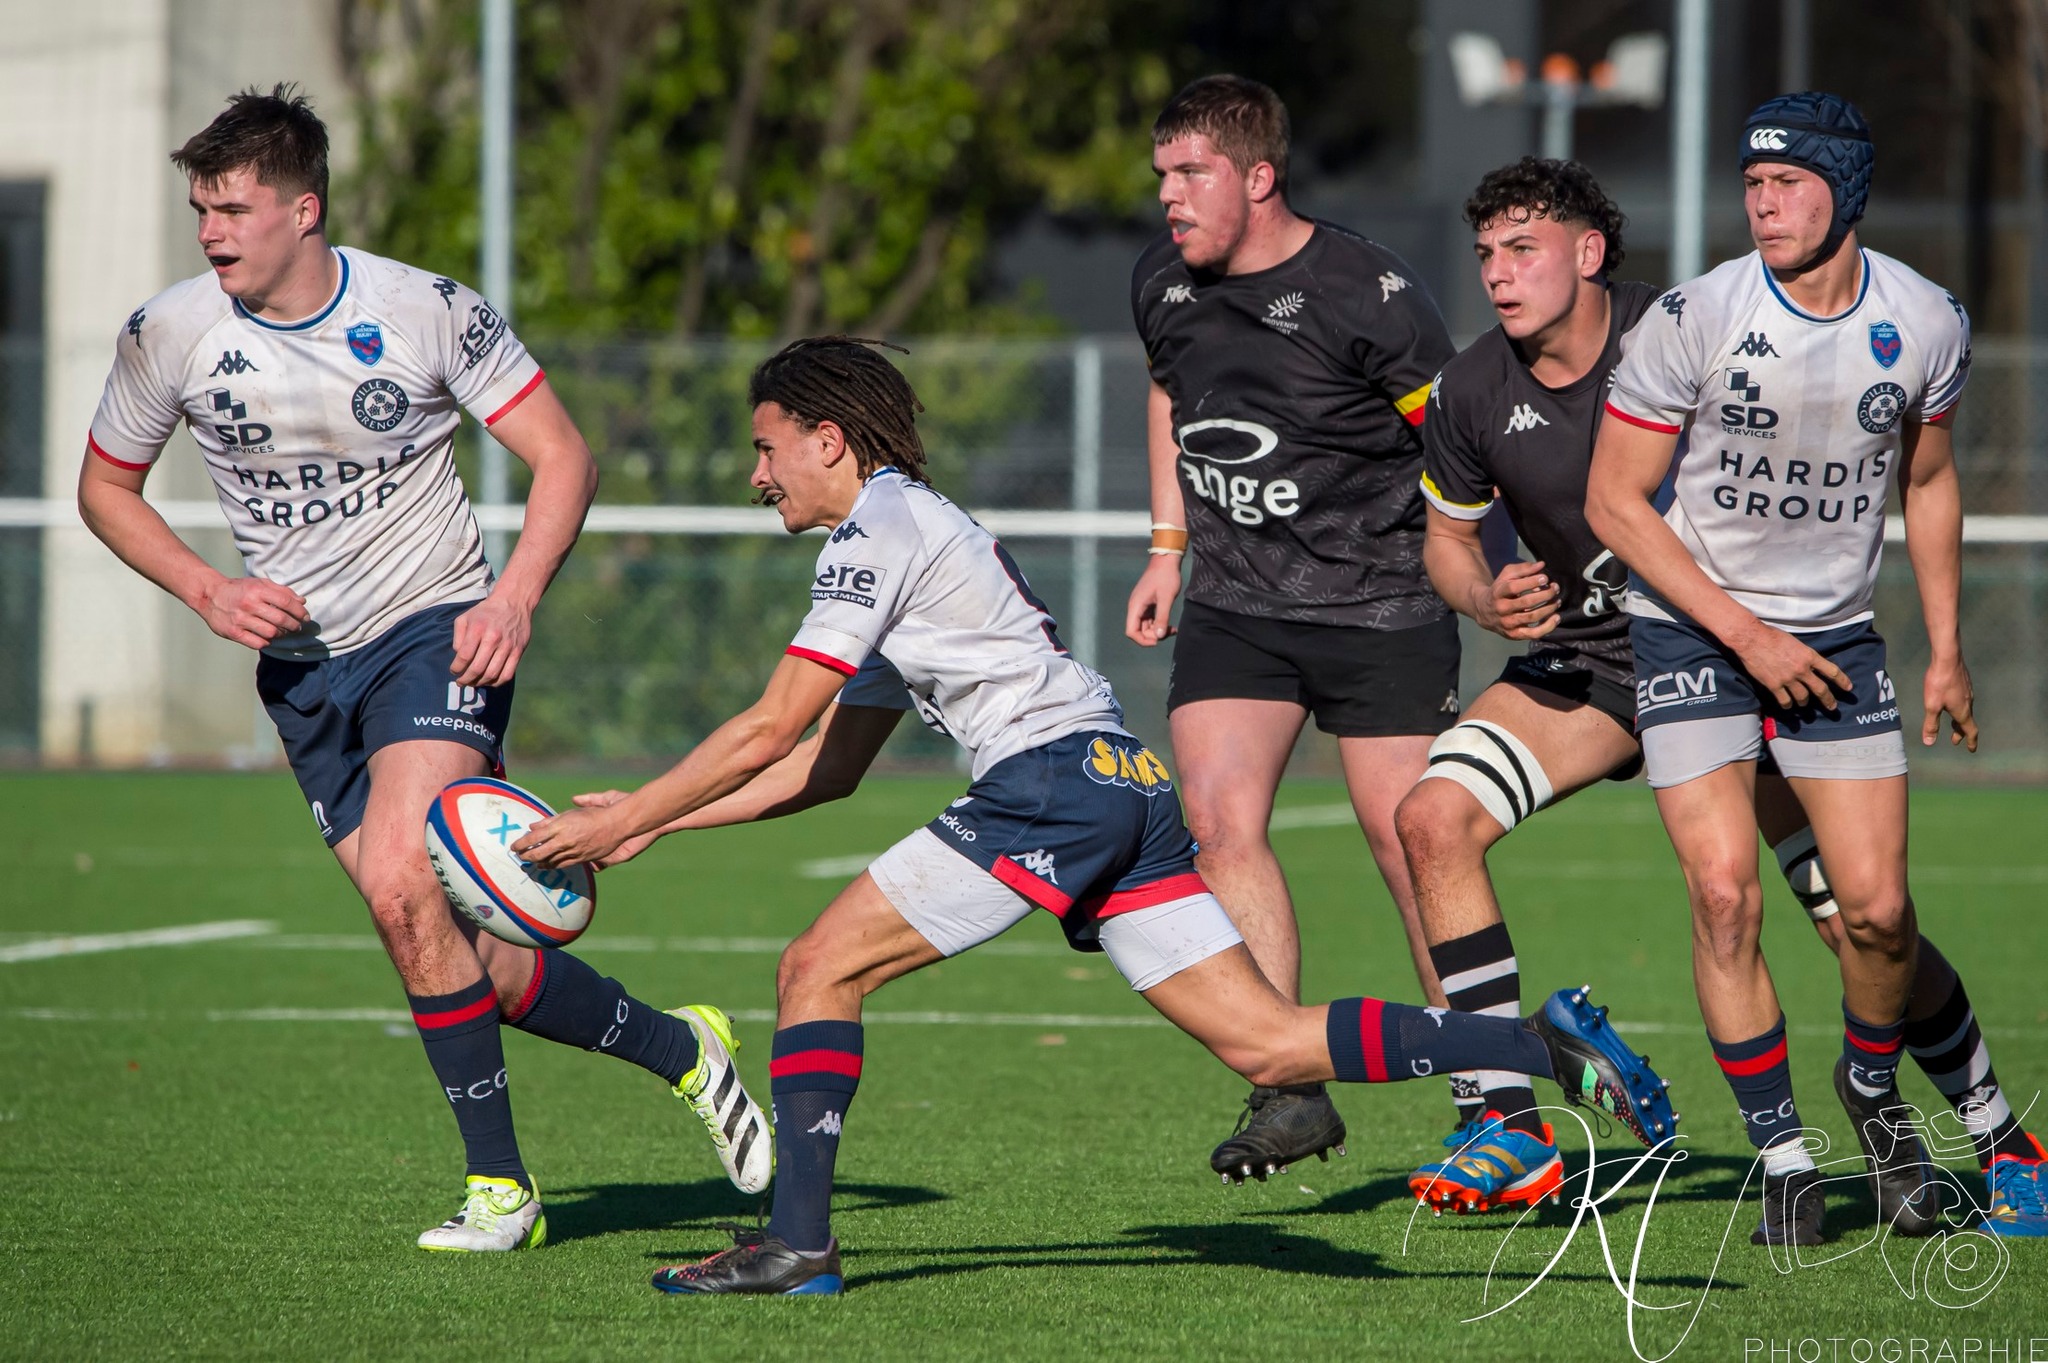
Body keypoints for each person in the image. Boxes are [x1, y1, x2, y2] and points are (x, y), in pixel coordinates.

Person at [515, 336, 1678, 1295]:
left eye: (767, 451)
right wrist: (663, 822)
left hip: (1052, 786)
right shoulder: (910, 530)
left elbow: (770, 724)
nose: (756, 475)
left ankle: (799, 1245)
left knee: (816, 969)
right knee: (1263, 1044)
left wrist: (619, 825)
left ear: (829, 440)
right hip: (1120, 784)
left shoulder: (875, 530)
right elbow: (823, 767)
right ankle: (1539, 1045)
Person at [76, 86, 769, 1252]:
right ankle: (682, 1050)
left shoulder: (425, 311)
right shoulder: (170, 334)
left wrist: (513, 596)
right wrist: (207, 587)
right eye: (201, 210)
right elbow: (105, 487)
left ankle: (501, 1191)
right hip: (301, 672)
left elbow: (562, 456)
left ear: (304, 210)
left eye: (234, 209)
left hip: (433, 629)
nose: (212, 233)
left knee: (404, 877)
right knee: (459, 954)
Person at [1401, 155, 2047, 1237]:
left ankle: (1996, 1132)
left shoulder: (1699, 326)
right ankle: (1508, 1123)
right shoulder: (1470, 388)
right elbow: (1444, 541)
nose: (1497, 276)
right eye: (1484, 256)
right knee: (1429, 820)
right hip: (1590, 671)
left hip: (1734, 657)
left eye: (1522, 250)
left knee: (1859, 926)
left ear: (1589, 254)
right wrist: (1481, 596)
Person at [1585, 92, 2045, 1244]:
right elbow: (1611, 500)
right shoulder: (1692, 316)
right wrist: (1741, 635)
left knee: (1878, 915)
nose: (1762, 202)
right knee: (1724, 893)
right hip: (1693, 633)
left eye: (1785, 183)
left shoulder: (1926, 318)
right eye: (1750, 184)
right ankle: (1783, 1155)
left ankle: (1873, 1093)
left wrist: (1943, 648)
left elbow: (1926, 481)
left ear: (1844, 189)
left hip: (1836, 641)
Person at [1124, 73, 1469, 1179]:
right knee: (1216, 826)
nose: (1168, 196)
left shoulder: (1366, 290)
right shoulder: (1161, 283)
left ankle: (1489, 1098)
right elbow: (1167, 397)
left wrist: (1478, 563)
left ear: (1257, 178)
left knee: (1408, 842)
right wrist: (1166, 548)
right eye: (1161, 175)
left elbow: (1454, 439)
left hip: (1380, 605)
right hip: (1236, 605)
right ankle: (1284, 1082)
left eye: (1192, 174)